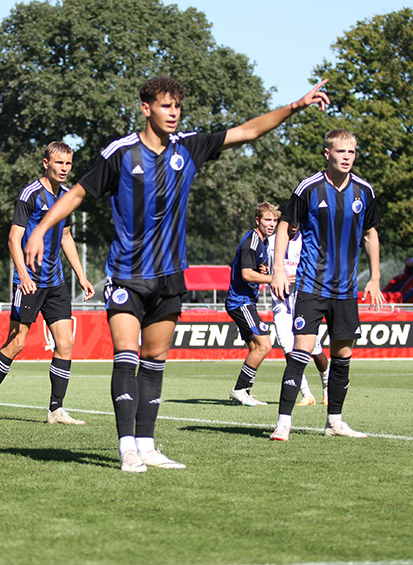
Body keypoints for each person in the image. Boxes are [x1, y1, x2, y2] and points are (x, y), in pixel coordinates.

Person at [24, 76, 329, 472]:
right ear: (146, 108)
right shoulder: (121, 153)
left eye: (177, 107)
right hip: (127, 274)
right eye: (165, 106)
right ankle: (126, 448)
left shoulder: (189, 146)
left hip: (169, 277)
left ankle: (148, 445)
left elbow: (249, 131)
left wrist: (295, 106)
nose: (173, 113)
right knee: (126, 356)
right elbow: (78, 194)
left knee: (155, 359)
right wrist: (42, 230)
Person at [269, 128, 383, 442]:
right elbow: (284, 227)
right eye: (341, 151)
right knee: (301, 351)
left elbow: (371, 233)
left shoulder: (364, 191)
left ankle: (334, 421)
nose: (347, 157)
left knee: (342, 354)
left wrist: (374, 278)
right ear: (327, 153)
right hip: (312, 285)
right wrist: (278, 270)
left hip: (345, 290)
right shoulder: (309, 188)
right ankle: (283, 422)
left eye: (352, 152)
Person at [0, 141, 95, 426]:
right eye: (59, 163)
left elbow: (65, 237)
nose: (65, 168)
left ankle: (56, 409)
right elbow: (13, 239)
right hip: (29, 282)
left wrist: (81, 274)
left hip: (56, 282)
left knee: (66, 342)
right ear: (46, 163)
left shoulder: (66, 196)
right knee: (17, 343)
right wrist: (23, 274)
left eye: (68, 163)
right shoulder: (30, 194)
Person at [267, 223, 329, 406]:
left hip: (303, 303)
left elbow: (319, 268)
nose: (293, 226)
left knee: (315, 350)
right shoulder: (271, 241)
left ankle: (327, 386)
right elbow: (262, 264)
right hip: (280, 305)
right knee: (288, 350)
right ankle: (307, 394)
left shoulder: (308, 240)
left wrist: (298, 276)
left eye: (297, 223)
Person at [225, 202, 280, 407]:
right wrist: (274, 278)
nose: (272, 224)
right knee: (264, 345)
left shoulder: (262, 242)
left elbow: (252, 271)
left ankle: (244, 391)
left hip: (245, 300)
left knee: (255, 347)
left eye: (275, 220)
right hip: (241, 301)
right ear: (257, 221)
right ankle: (239, 389)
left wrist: (262, 271)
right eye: (267, 220)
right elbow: (246, 274)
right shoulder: (253, 241)